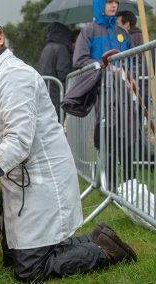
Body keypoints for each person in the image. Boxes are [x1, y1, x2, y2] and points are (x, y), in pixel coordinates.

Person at [0, 11, 137, 282]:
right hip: (19, 179)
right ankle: (93, 238)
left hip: (42, 179)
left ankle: (103, 250)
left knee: (30, 270)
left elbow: (18, 140)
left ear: (0, 37)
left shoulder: (15, 75)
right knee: (11, 258)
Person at [73, 0, 135, 190]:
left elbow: (132, 59)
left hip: (123, 94)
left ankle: (130, 186)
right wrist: (104, 67)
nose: (114, 5)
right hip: (101, 93)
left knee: (128, 138)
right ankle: (112, 188)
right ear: (100, 4)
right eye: (109, 2)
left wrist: (127, 73)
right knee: (107, 139)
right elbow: (80, 60)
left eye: (116, 1)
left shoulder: (122, 33)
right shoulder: (88, 31)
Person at [38, 22, 74, 122]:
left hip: (46, 93)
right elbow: (63, 73)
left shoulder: (46, 48)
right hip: (57, 94)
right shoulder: (61, 48)